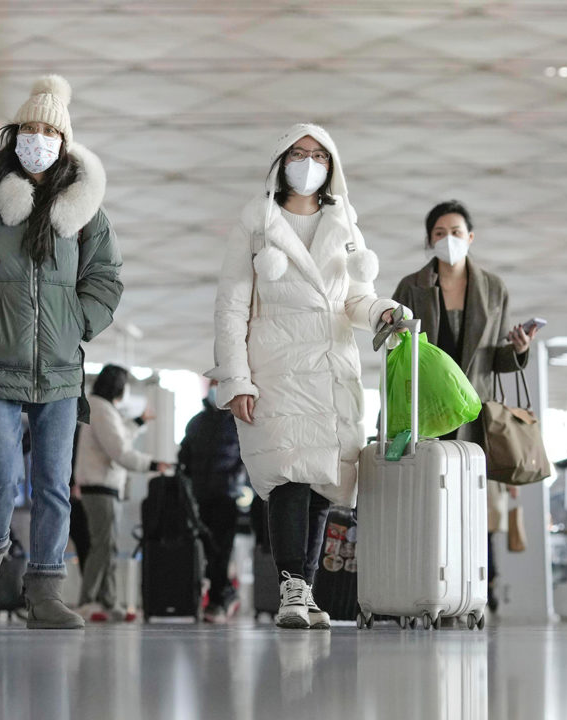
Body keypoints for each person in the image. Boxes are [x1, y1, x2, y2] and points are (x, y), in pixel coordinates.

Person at [0, 74, 123, 630]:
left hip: (60, 374)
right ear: (14, 136)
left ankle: (46, 591)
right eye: (29, 129)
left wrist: (81, 320)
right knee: (2, 477)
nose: (38, 139)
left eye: (48, 131)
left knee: (55, 485)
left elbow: (106, 276)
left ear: (64, 142)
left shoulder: (85, 212)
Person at [209, 123, 404, 630]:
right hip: (273, 369)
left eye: (318, 155)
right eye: (298, 153)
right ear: (280, 161)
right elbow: (231, 306)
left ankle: (308, 590)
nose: (308, 162)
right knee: (286, 478)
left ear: (331, 166)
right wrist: (236, 380)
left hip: (330, 370)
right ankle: (291, 587)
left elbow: (354, 298)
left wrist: (383, 311)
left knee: (324, 486)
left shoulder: (344, 224)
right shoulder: (256, 223)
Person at [392, 199, 537, 613]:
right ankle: (430, 587)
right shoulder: (411, 287)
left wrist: (520, 350)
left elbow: (497, 358)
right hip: (427, 410)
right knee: (429, 503)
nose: (448, 240)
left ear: (470, 238)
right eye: (439, 234)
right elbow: (396, 351)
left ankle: (482, 589)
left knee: (478, 504)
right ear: (429, 240)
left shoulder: (493, 288)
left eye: (456, 232)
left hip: (476, 412)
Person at [73, 365, 169, 622]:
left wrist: (138, 422)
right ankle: (88, 601)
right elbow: (119, 450)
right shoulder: (101, 409)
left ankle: (109, 602)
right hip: (100, 486)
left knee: (107, 545)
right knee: (102, 546)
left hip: (104, 485)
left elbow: (119, 436)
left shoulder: (103, 408)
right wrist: (151, 464)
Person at [178, 379, 245, 624]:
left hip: (227, 495)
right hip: (201, 496)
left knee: (222, 550)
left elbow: (246, 458)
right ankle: (223, 594)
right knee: (209, 548)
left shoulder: (238, 422)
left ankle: (219, 599)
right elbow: (184, 456)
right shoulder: (196, 422)